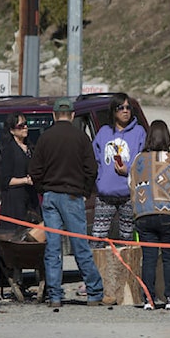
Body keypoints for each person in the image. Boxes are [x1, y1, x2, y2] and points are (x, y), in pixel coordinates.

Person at [28, 97, 108, 308]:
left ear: (54, 115)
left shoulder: (45, 138)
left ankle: (55, 295)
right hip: (73, 196)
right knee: (80, 245)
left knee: (53, 248)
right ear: (72, 115)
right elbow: (92, 169)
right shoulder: (81, 138)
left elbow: (34, 170)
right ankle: (94, 292)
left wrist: (42, 189)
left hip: (51, 196)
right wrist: (84, 191)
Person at [129, 120, 170, 310]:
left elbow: (130, 183)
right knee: (169, 257)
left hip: (144, 213)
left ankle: (148, 298)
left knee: (148, 257)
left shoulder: (139, 159)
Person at [91, 92, 146, 245]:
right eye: (120, 107)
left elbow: (144, 163)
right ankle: (95, 269)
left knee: (127, 239)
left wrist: (127, 171)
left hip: (128, 195)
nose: (125, 111)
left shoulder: (139, 132)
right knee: (97, 238)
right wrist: (99, 180)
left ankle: (125, 268)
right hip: (105, 194)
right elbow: (94, 159)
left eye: (128, 107)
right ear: (114, 111)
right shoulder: (104, 132)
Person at [0, 112, 40, 232]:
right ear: (12, 130)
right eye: (21, 126)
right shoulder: (9, 150)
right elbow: (5, 180)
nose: (25, 128)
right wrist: (25, 180)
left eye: (26, 124)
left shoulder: (30, 147)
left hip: (30, 199)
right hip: (14, 201)